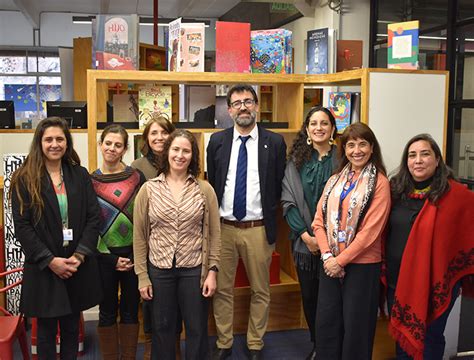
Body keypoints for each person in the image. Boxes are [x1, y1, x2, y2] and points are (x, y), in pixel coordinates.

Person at [10, 117, 102, 359]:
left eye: (60, 139)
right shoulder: (24, 178)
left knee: (72, 327)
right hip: (44, 267)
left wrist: (80, 255)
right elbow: (22, 227)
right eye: (48, 139)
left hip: (74, 264)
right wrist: (51, 261)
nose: (54, 144)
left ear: (67, 142)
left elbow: (94, 218)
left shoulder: (79, 175)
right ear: (39, 142)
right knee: (46, 332)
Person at [207, 84, 287, 360]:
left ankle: (255, 343)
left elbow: (278, 185)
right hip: (224, 228)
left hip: (258, 228)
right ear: (229, 110)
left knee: (261, 290)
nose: (243, 107)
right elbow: (214, 184)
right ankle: (224, 341)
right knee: (222, 289)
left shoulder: (274, 142)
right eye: (237, 102)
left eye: (248, 101)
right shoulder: (217, 141)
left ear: (256, 106)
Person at [133, 129, 221, 360]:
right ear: (167, 151)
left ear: (192, 155)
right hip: (159, 270)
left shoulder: (204, 189)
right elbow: (140, 237)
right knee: (162, 329)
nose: (180, 155)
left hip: (194, 269)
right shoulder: (149, 189)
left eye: (186, 150)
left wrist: (212, 271)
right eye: (175, 149)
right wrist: (142, 275)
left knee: (197, 328)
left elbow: (214, 235)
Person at [385, 134, 474, 360]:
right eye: (412, 155)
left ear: (437, 160)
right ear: (406, 161)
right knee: (403, 337)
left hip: (437, 284)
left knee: (431, 337)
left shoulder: (456, 195)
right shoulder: (395, 191)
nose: (418, 160)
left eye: (425, 154)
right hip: (398, 281)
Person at [312, 122, 391, 360]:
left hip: (362, 266)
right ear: (344, 149)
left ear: (372, 148)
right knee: (326, 326)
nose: (357, 150)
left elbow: (370, 233)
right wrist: (328, 256)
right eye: (351, 145)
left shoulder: (380, 183)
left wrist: (340, 261)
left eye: (363, 144)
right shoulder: (335, 180)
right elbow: (318, 222)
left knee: (357, 329)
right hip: (330, 265)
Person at [281, 106, 338, 360]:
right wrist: (306, 235)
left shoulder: (342, 159)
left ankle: (331, 347)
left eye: (324, 123)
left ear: (332, 128)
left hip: (337, 246)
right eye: (313, 123)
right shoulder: (295, 161)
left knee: (333, 301)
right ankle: (317, 344)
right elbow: (288, 202)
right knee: (311, 298)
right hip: (305, 245)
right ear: (306, 129)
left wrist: (325, 241)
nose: (318, 128)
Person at [91, 125, 146, 359]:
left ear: (124, 149)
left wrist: (135, 255)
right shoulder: (89, 181)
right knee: (106, 311)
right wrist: (111, 259)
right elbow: (89, 224)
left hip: (134, 256)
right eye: (108, 143)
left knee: (131, 311)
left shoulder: (136, 178)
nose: (112, 148)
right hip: (104, 258)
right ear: (100, 144)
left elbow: (145, 217)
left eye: (118, 145)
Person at [130, 115, 177, 359]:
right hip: (150, 241)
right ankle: (151, 342)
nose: (159, 138)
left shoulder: (178, 161)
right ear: (146, 139)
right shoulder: (138, 167)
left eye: (164, 132)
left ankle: (174, 345)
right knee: (150, 295)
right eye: (154, 133)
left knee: (174, 298)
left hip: (178, 242)